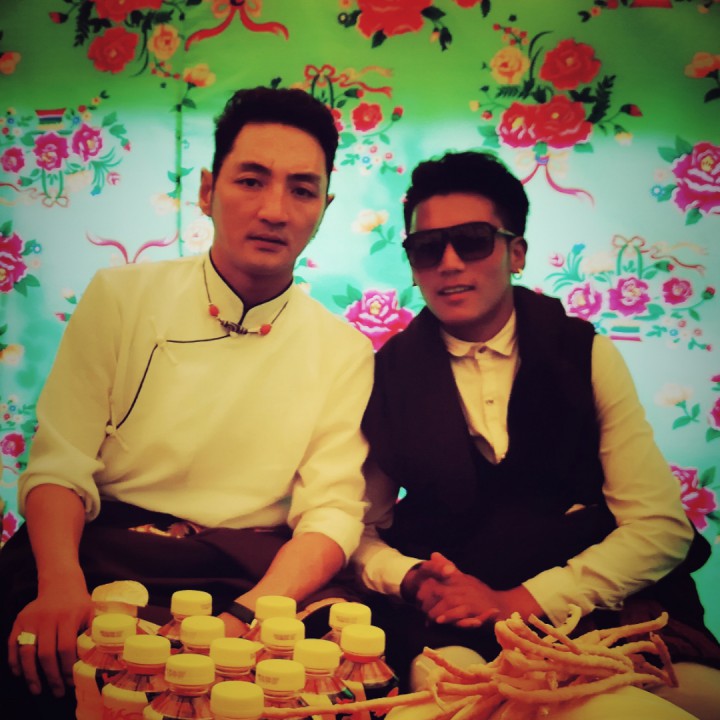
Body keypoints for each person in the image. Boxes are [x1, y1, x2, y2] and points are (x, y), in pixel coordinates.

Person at [0, 87, 373, 716]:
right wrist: (60, 582)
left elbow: (331, 514)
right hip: (107, 552)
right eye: (250, 180)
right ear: (206, 190)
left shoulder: (345, 349)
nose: (275, 210)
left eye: (302, 190)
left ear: (324, 209)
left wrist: (249, 616)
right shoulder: (121, 297)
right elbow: (60, 463)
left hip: (249, 574)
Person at [353, 151, 720, 719]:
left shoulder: (585, 353)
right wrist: (411, 579)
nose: (449, 263)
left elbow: (659, 527)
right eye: (427, 248)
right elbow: (359, 530)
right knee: (457, 702)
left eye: (472, 241)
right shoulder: (386, 374)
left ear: (516, 252)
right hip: (454, 624)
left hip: (607, 609)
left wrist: (522, 601)